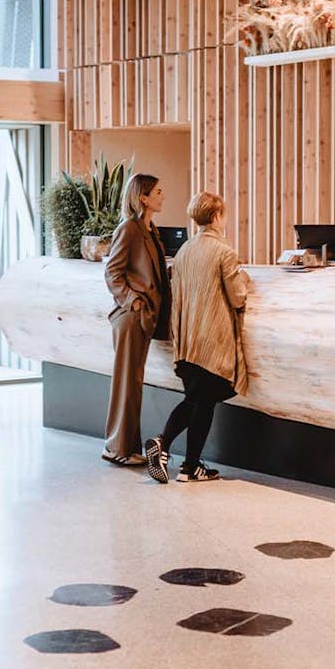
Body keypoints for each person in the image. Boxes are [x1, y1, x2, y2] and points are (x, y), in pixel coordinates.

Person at [145, 192, 250, 483]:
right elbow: (238, 297)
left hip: (188, 338)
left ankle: (190, 467)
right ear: (216, 216)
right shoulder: (224, 252)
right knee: (200, 401)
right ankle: (164, 442)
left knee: (200, 401)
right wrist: (245, 280)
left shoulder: (184, 250)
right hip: (212, 340)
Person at [101, 173, 170, 466]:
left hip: (144, 316)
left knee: (133, 383)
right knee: (127, 383)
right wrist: (135, 301)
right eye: (158, 191)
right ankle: (117, 449)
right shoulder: (129, 229)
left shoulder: (150, 230)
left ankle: (127, 448)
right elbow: (112, 273)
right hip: (131, 317)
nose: (162, 196)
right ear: (143, 197)